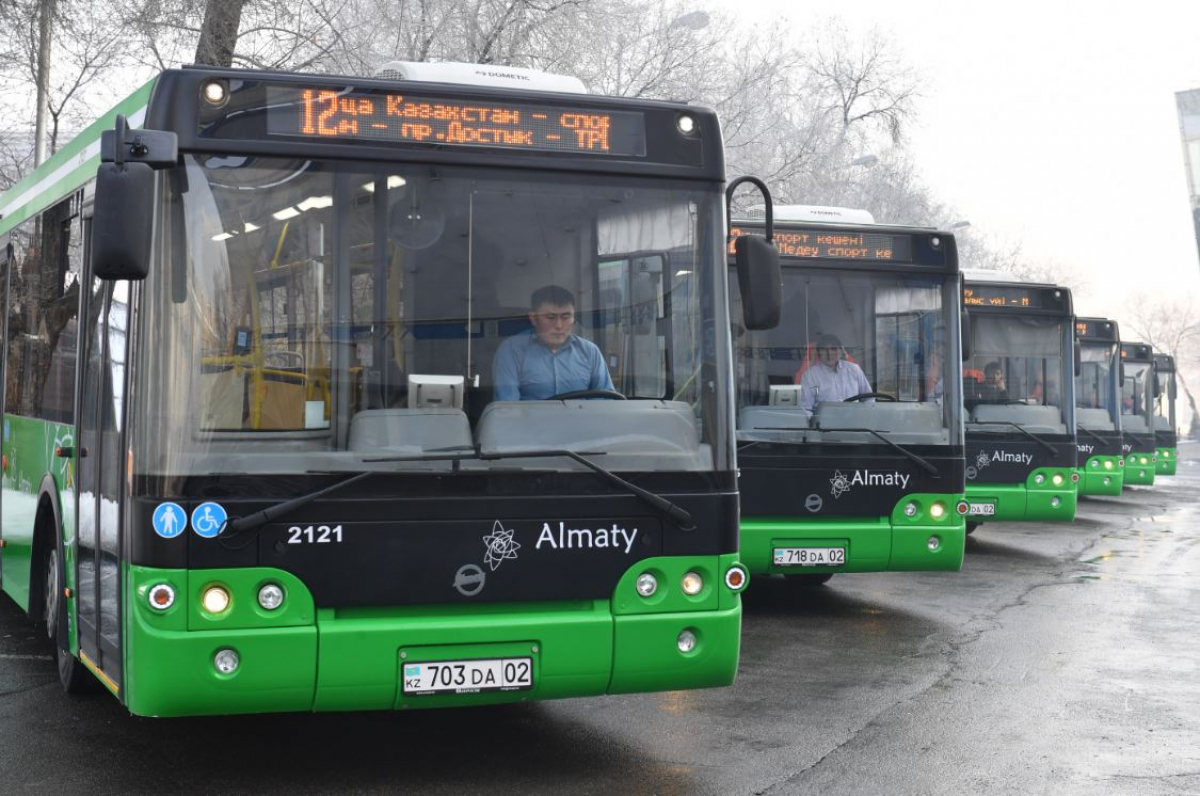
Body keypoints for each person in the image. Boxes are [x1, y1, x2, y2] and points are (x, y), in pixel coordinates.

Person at [492, 285, 615, 401]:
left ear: (574, 318)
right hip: (530, 422)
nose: (559, 326)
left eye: (566, 317)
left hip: (582, 421)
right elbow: (507, 406)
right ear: (533, 318)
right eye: (550, 317)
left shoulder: (590, 351)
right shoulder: (511, 350)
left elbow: (606, 400)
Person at [799, 333, 873, 412]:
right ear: (818, 352)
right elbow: (806, 409)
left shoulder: (854, 370)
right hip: (824, 423)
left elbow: (869, 398)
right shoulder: (810, 376)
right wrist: (815, 423)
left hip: (854, 421)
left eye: (833, 349)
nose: (829, 353)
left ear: (840, 350)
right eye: (824, 349)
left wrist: (865, 416)